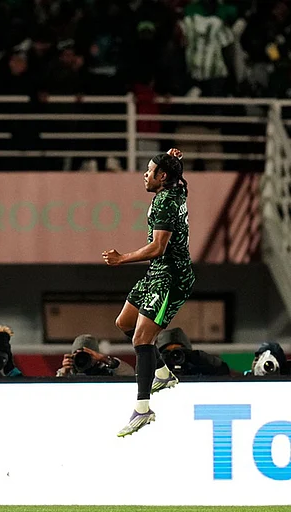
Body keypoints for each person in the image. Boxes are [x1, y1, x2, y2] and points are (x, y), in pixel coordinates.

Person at [103, 148, 195, 437]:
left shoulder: (166, 202)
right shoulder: (175, 190)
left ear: (162, 176)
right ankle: (163, 374)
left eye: (150, 169)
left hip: (171, 277)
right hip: (157, 272)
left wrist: (122, 259)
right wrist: (172, 159)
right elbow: (172, 175)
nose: (145, 173)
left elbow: (158, 248)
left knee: (143, 338)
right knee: (124, 324)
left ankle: (142, 408)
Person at [157, 327, 230, 377]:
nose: (175, 356)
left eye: (178, 351)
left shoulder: (198, 368)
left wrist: (197, 356)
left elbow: (222, 369)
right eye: (167, 352)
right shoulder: (155, 373)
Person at [56, 334, 134, 377]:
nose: (82, 358)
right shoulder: (69, 372)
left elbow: (130, 375)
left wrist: (105, 359)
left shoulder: (106, 371)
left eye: (87, 354)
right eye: (77, 353)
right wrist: (63, 373)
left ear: (96, 355)